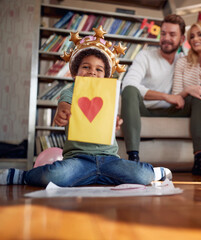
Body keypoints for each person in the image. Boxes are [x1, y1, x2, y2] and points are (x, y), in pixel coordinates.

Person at [0, 26, 171, 186]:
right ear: (75, 73)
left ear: (105, 76)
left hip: (109, 160)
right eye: (86, 67)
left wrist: (116, 124)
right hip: (78, 160)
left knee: (142, 176)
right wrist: (62, 112)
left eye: (99, 70)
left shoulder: (109, 95)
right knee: (54, 175)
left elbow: (111, 121)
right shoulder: (70, 91)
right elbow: (64, 105)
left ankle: (148, 173)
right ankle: (24, 176)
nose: (92, 72)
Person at [121, 14, 201, 176]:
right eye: (163, 33)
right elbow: (128, 85)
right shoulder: (145, 56)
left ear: (181, 40)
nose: (166, 38)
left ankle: (200, 160)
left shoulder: (184, 59)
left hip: (176, 109)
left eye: (172, 35)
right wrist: (167, 97)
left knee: (200, 94)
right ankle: (133, 158)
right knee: (130, 91)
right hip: (145, 109)